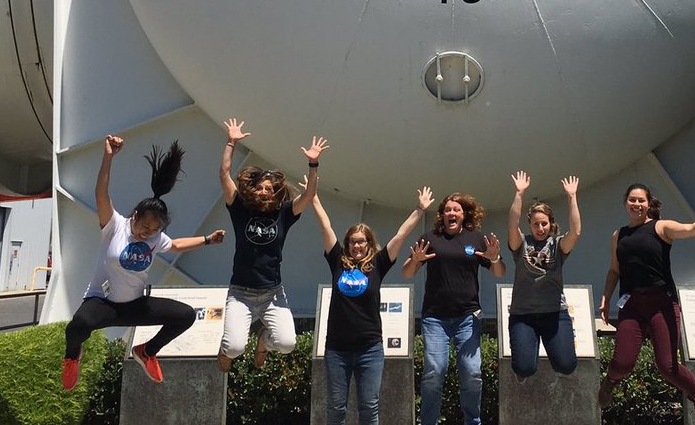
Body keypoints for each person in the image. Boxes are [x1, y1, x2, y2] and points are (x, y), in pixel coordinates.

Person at [62, 135, 226, 390]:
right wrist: (108, 157)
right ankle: (72, 357)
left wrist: (207, 240)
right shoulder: (114, 225)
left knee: (185, 315)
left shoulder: (156, 237)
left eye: (153, 230)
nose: (146, 233)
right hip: (102, 303)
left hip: (136, 305)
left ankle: (146, 351)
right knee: (77, 327)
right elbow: (101, 194)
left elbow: (175, 246)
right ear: (134, 215)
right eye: (144, 226)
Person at [598, 183, 695, 425]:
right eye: (632, 200)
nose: (636, 204)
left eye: (641, 200)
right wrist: (606, 297)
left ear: (648, 204)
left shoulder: (661, 227)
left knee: (667, 366)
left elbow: (690, 229)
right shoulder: (619, 235)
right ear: (625, 202)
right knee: (622, 364)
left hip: (662, 303)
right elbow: (614, 270)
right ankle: (610, 381)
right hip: (632, 304)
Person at [309, 186, 435, 424]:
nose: (357, 246)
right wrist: (312, 197)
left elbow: (400, 236)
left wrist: (419, 210)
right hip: (337, 349)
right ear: (347, 244)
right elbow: (326, 226)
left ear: (369, 243)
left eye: (362, 241)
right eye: (353, 242)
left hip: (370, 349)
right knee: (336, 409)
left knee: (369, 408)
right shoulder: (337, 261)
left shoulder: (378, 263)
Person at [217, 117, 327, 371]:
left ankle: (264, 341)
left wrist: (313, 163)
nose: (264, 191)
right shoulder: (239, 209)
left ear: (275, 192)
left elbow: (309, 195)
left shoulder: (284, 214)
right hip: (240, 293)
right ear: (252, 190)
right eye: (260, 188)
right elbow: (224, 174)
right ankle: (223, 349)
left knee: (287, 343)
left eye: (269, 188)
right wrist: (231, 143)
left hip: (272, 293)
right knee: (234, 347)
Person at [402, 193, 506, 425]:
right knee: (434, 371)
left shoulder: (477, 239)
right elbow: (407, 273)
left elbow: (500, 272)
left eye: (456, 210)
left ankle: (473, 420)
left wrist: (495, 258)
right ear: (441, 215)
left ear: (463, 214)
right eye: (447, 210)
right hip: (435, 319)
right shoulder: (430, 238)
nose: (452, 213)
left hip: (467, 318)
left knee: (472, 372)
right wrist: (416, 260)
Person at [505, 171, 582, 380]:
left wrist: (571, 197)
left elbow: (575, 232)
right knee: (524, 368)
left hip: (554, 313)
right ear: (530, 224)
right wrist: (519, 194)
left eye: (544, 224)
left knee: (566, 366)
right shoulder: (521, 244)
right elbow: (512, 225)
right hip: (523, 315)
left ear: (550, 224)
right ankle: (525, 363)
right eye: (536, 224)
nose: (540, 228)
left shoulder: (557, 245)